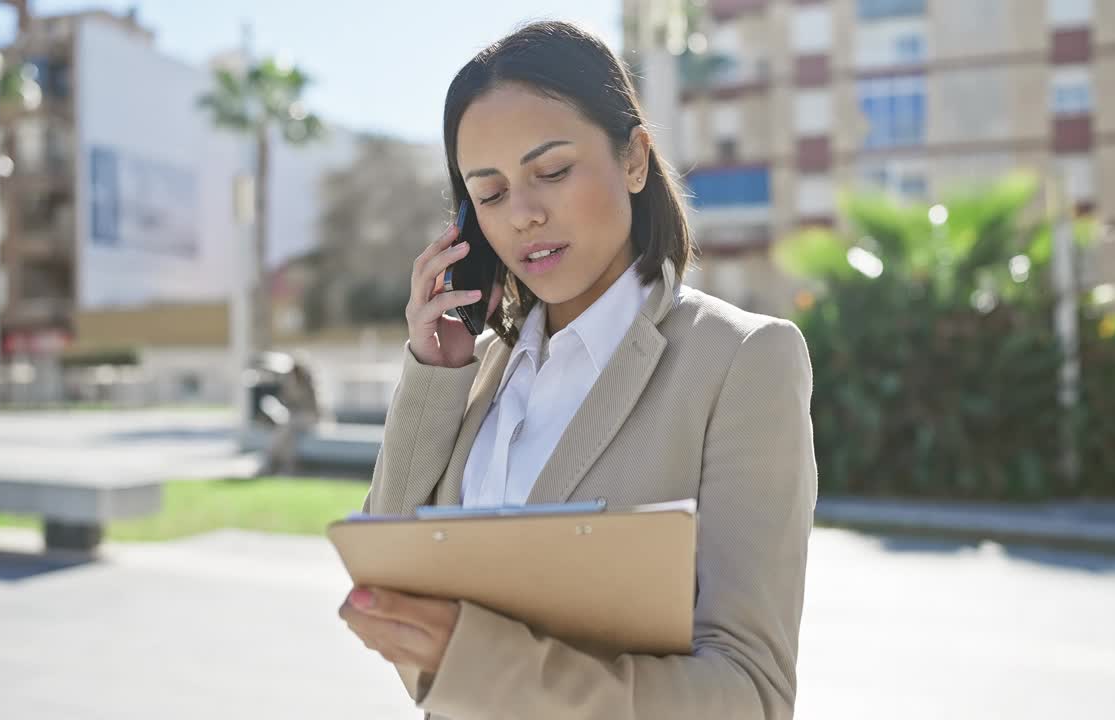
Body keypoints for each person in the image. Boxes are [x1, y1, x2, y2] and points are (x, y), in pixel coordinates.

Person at [338, 20, 817, 720]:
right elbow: (393, 597)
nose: (525, 215)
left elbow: (750, 695)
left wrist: (473, 658)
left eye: (553, 171)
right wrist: (431, 375)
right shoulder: (476, 374)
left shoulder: (742, 361)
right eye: (491, 193)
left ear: (634, 160)